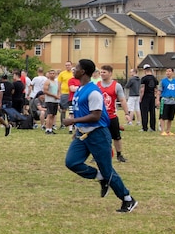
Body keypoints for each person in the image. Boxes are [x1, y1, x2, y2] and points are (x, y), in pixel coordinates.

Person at [62, 59, 137, 213]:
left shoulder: (93, 91)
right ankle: (100, 177)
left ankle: (128, 199)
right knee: (72, 162)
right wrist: (77, 129)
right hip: (82, 135)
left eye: (77, 67)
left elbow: (96, 116)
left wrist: (73, 121)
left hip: (98, 134)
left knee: (108, 170)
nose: (74, 69)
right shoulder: (80, 90)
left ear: (83, 72)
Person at [97, 64, 128, 163]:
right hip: (99, 116)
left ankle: (119, 155)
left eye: (104, 72)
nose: (102, 74)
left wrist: (127, 113)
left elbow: (122, 100)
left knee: (116, 137)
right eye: (101, 72)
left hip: (111, 116)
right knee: (99, 137)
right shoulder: (97, 85)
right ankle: (98, 155)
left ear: (110, 73)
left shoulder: (116, 85)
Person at [158, 68, 175, 136]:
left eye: (169, 71)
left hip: (173, 101)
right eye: (166, 71)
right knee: (163, 116)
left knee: (170, 117)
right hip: (165, 100)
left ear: (172, 72)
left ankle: (168, 130)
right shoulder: (163, 81)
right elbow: (159, 91)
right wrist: (158, 100)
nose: (167, 72)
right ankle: (163, 130)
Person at [138, 65, 158, 132]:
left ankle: (144, 127)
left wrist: (140, 98)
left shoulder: (144, 79)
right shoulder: (154, 79)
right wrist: (156, 97)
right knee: (152, 112)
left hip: (145, 97)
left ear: (145, 70)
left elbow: (142, 89)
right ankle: (152, 127)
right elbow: (156, 89)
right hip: (152, 97)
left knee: (144, 113)